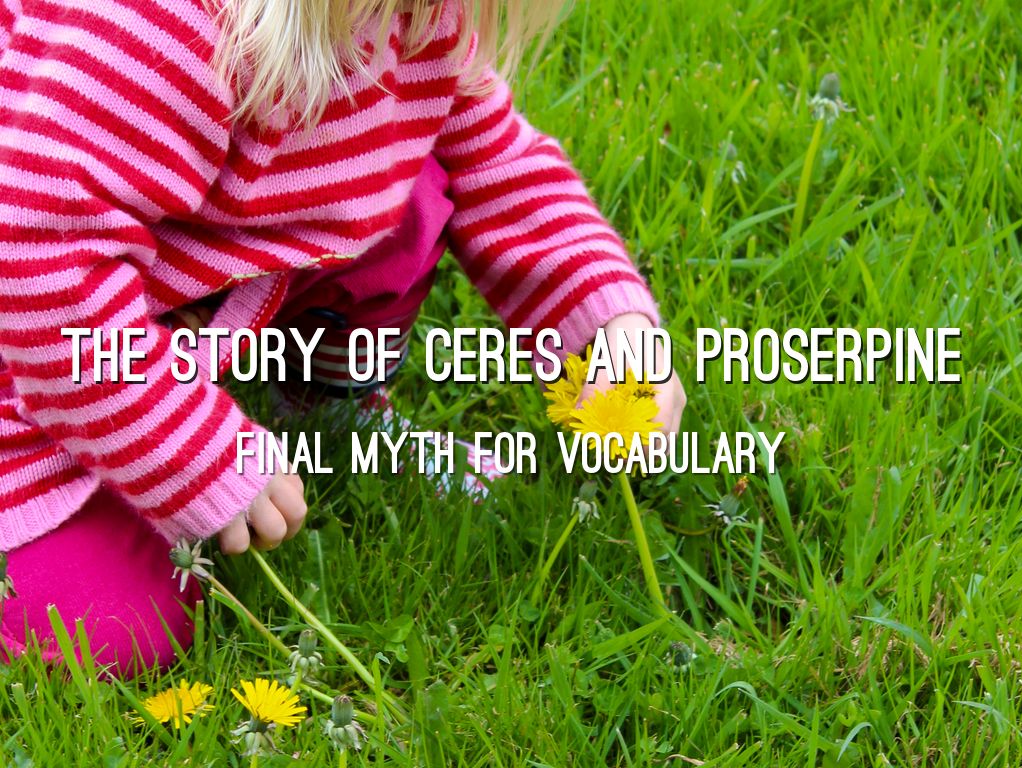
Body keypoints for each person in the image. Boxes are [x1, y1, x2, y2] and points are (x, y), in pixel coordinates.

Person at [0, 0, 685, 678]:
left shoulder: (411, 15)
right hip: (31, 326)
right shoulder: (153, 29)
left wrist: (614, 327)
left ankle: (326, 405)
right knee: (106, 626)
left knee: (405, 173)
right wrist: (189, 450)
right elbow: (41, 279)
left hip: (152, 293)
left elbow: (499, 169)